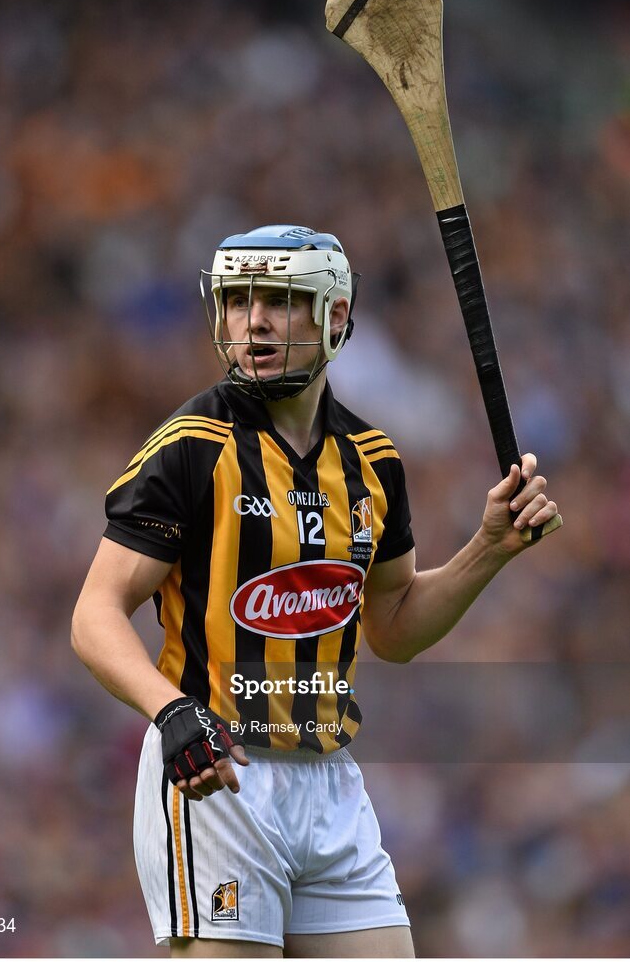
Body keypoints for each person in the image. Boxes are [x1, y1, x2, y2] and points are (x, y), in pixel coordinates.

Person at [71, 224, 560, 959]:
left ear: (334, 317)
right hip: (219, 780)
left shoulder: (371, 462)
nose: (253, 322)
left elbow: (392, 627)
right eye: (237, 302)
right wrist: (170, 711)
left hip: (330, 783)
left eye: (279, 301)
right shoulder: (190, 450)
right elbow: (94, 613)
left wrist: (486, 549)